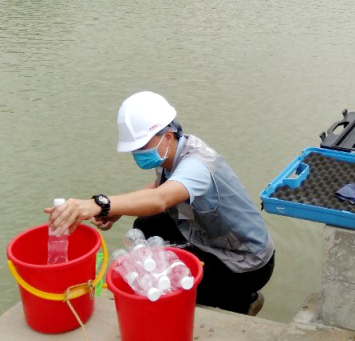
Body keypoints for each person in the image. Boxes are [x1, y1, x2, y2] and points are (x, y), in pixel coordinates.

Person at [46, 91, 275, 315]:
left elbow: (160, 199)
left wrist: (101, 203)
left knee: (170, 285)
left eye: (141, 146)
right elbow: (160, 185)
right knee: (146, 225)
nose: (137, 153)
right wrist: (117, 210)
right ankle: (206, 278)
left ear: (166, 136)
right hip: (207, 235)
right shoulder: (172, 150)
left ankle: (242, 301)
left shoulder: (198, 163)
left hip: (245, 263)